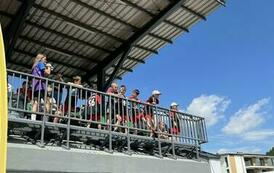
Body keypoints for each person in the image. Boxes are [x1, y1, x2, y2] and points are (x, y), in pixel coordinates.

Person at [31, 54, 52, 120]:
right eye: (45, 59)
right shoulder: (40, 63)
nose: (46, 60)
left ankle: (33, 118)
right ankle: (46, 118)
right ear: (41, 59)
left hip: (35, 86)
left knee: (36, 102)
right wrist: (49, 67)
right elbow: (47, 73)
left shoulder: (35, 65)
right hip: (41, 85)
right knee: (47, 101)